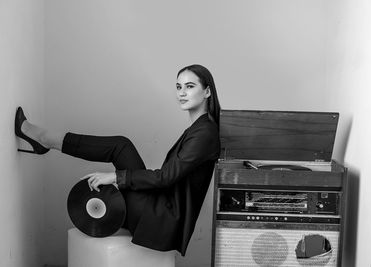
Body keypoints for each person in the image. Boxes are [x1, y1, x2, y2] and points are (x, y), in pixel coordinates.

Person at [14, 64, 221, 256]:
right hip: (157, 208)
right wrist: (121, 178)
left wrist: (115, 177)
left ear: (207, 92)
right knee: (121, 145)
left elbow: (165, 178)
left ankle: (44, 139)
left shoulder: (205, 134)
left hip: (160, 219)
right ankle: (45, 140)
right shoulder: (199, 129)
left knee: (120, 147)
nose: (182, 93)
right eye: (178, 86)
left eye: (190, 86)